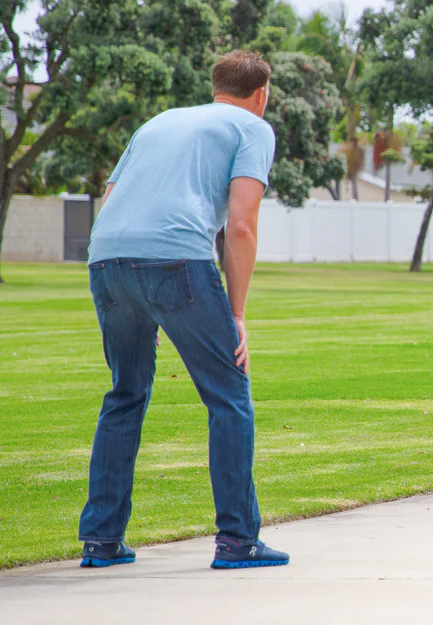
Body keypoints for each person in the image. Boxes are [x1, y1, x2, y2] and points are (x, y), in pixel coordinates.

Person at [79, 50, 289, 569]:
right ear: (261, 94)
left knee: (125, 394)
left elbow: (111, 197)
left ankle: (102, 540)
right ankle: (238, 540)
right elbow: (241, 225)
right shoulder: (252, 128)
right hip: (176, 260)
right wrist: (236, 315)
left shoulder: (158, 123)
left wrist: (136, 296)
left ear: (215, 86)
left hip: (107, 259)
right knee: (229, 396)